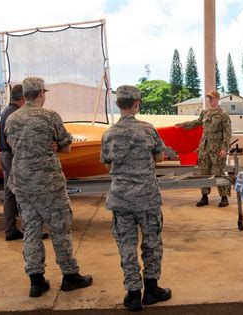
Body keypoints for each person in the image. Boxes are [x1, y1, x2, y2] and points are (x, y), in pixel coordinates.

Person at [5, 77, 92, 297]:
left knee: (32, 230)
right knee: (59, 228)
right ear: (41, 93)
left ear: (24, 95)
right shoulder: (50, 116)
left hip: (23, 183)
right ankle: (70, 275)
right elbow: (66, 146)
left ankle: (36, 281)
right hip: (48, 183)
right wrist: (55, 145)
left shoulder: (12, 119)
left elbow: (11, 144)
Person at [101, 85, 172, 312]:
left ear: (118, 104)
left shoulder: (108, 133)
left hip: (121, 198)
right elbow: (159, 157)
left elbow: (106, 165)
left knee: (126, 245)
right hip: (147, 198)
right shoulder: (148, 130)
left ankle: (133, 294)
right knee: (151, 243)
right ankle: (151, 290)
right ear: (136, 104)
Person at [175, 90, 232, 207]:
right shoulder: (205, 113)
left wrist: (224, 149)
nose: (210, 100)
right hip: (204, 149)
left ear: (217, 99)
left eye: (212, 98)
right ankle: (204, 196)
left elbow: (227, 134)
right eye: (209, 98)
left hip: (217, 149)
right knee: (203, 172)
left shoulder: (223, 115)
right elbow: (196, 123)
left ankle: (224, 197)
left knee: (219, 172)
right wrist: (183, 125)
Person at [0, 84, 25, 241]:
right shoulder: (14, 113)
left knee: (9, 194)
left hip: (6, 155)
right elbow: (12, 139)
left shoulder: (7, 111)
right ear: (22, 98)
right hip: (12, 156)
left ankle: (10, 229)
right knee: (22, 192)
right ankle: (28, 229)